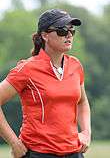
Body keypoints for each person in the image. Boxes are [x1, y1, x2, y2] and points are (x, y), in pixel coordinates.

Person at [0, 9, 91, 158]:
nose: (68, 35)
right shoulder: (27, 69)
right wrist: (14, 143)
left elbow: (82, 102)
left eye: (71, 31)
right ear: (45, 35)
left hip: (74, 152)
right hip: (38, 153)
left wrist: (86, 132)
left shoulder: (75, 65)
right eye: (62, 31)